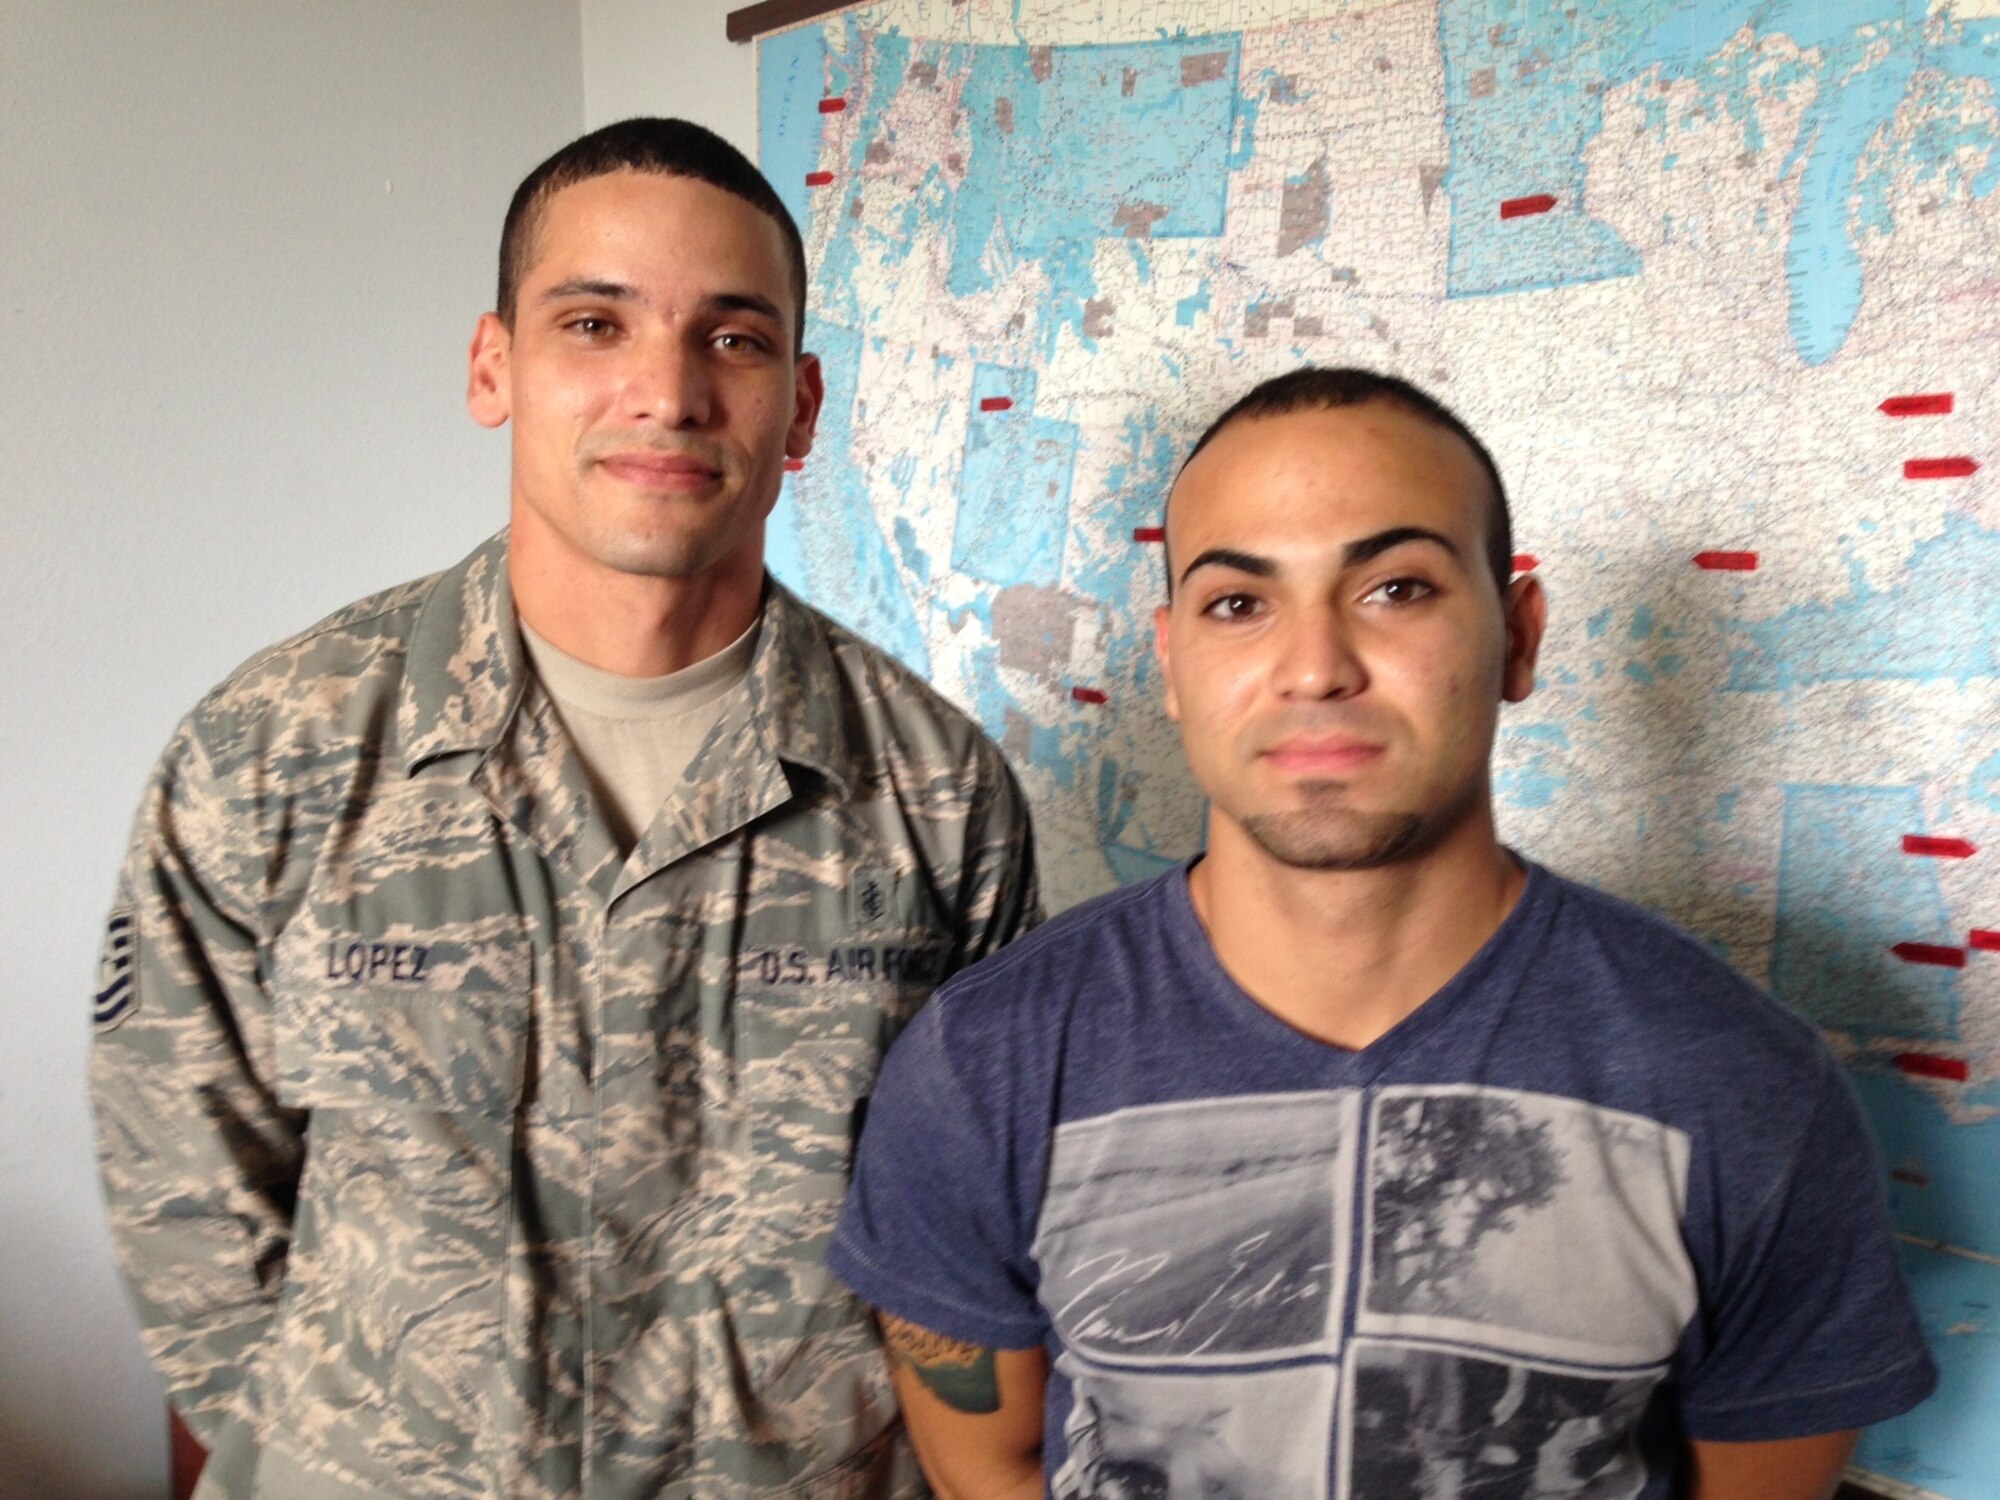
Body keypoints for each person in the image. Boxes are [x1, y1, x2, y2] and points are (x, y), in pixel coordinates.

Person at [90, 117, 1039, 1500]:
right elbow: (190, 1204)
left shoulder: (938, 798)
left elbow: (973, 1238)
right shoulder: (274, 756)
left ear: (805, 404)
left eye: (733, 337)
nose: (666, 392)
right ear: (495, 367)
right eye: (594, 323)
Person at [829, 367, 1936, 1500]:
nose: (1314, 668)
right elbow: (992, 1467)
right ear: (1169, 664)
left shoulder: (1741, 1085)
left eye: (1395, 588)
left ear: (1516, 634)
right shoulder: (983, 1066)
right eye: (1237, 604)